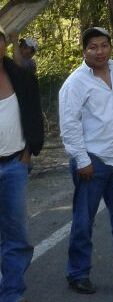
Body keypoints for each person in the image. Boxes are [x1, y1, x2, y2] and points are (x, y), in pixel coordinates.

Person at [59, 27, 113, 295]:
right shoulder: (75, 83)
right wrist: (82, 159)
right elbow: (69, 125)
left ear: (110, 46)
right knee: (83, 221)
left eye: (104, 45)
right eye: (93, 47)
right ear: (84, 51)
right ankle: (77, 273)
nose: (100, 52)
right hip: (92, 162)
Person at [0, 26, 44, 302]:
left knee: (16, 236)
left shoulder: (18, 73)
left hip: (15, 165)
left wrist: (28, 150)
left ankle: (12, 292)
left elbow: (32, 109)